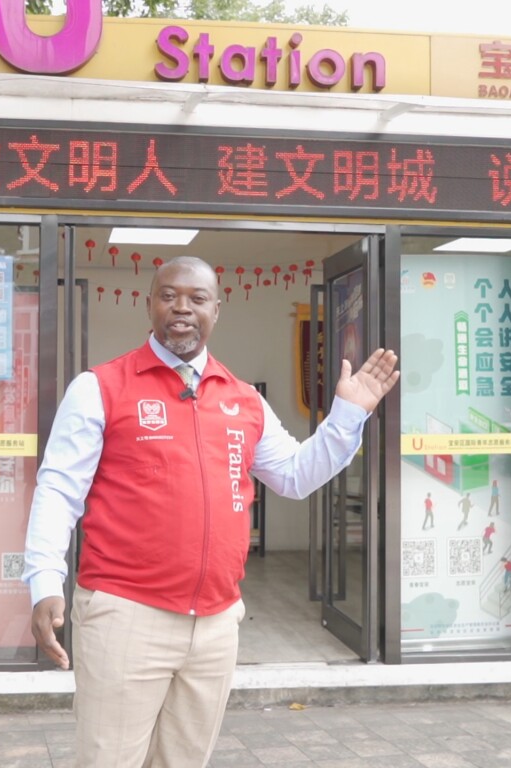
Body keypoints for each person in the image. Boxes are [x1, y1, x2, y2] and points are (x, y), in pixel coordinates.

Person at [22, 256, 399, 767]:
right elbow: (59, 488)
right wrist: (44, 580)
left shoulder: (243, 399)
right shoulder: (100, 387)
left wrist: (348, 416)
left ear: (216, 311)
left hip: (217, 624)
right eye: (169, 295)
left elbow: (294, 475)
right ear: (149, 305)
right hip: (125, 616)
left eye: (197, 298)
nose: (182, 308)